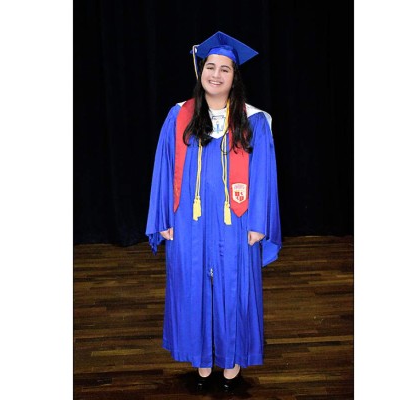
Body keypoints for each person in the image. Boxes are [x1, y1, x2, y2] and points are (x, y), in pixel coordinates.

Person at [146, 31, 281, 392]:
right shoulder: (179, 117)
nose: (216, 75)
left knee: (234, 287)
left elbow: (264, 176)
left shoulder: (254, 122)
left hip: (237, 222)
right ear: (200, 71)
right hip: (187, 222)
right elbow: (163, 168)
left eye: (225, 69)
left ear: (235, 77)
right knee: (193, 285)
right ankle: (202, 361)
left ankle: (233, 361)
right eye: (210, 67)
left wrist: (258, 224)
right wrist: (163, 218)